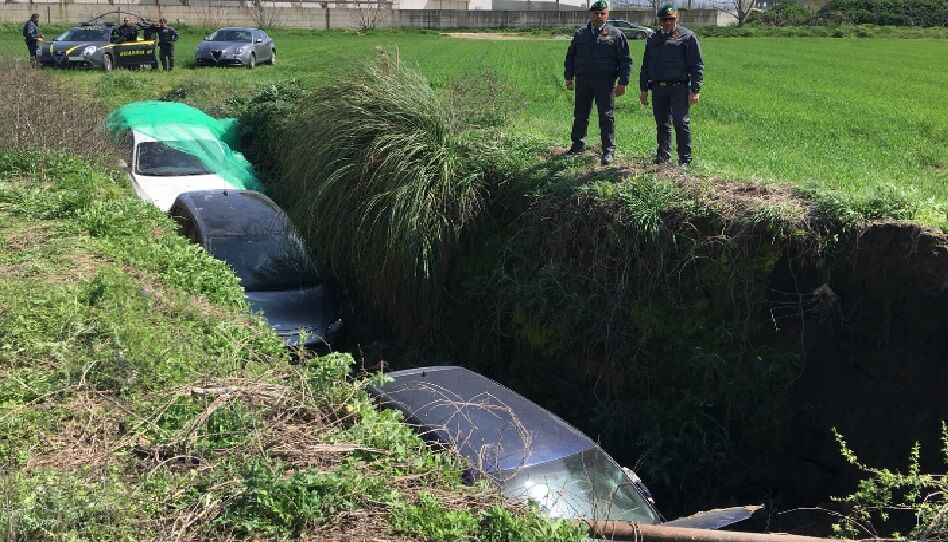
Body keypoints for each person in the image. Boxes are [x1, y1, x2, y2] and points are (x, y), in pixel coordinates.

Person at [563, 0, 631, 166]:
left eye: (602, 13)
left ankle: (608, 151)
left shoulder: (616, 34)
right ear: (591, 14)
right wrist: (569, 77)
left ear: (607, 14)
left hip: (605, 82)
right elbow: (570, 57)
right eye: (596, 13)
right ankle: (577, 146)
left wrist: (623, 82)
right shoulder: (580, 34)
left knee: (606, 116)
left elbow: (625, 60)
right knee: (580, 114)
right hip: (583, 81)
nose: (599, 16)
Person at [639, 4, 704, 168]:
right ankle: (663, 157)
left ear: (677, 18)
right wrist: (643, 89)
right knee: (662, 124)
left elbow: (697, 65)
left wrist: (695, 90)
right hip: (658, 88)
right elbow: (646, 66)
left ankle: (685, 160)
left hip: (679, 87)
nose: (668, 22)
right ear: (659, 20)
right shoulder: (653, 38)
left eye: (671, 19)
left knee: (681, 123)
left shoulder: (687, 37)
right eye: (664, 19)